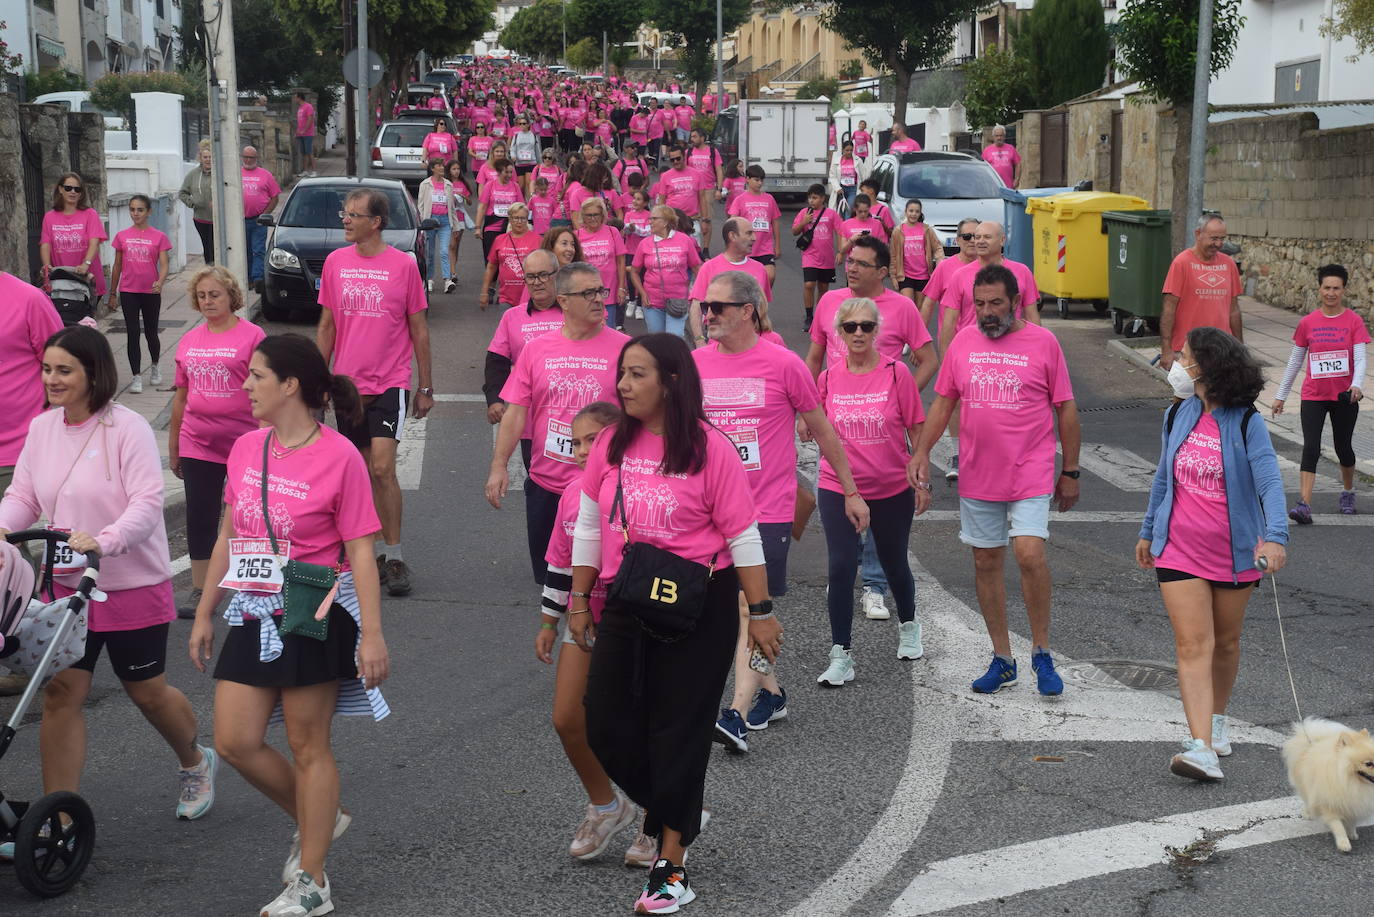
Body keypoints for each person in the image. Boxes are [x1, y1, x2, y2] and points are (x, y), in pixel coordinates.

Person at [570, 333, 780, 914]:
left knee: (678, 732)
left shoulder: (710, 448)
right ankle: (681, 810)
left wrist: (760, 613)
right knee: (605, 724)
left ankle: (670, 868)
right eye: (622, 374)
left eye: (637, 375)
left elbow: (743, 535)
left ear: (672, 381)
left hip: (699, 604)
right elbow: (589, 523)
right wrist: (579, 598)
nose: (623, 385)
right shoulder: (611, 442)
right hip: (627, 596)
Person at [189, 334, 390, 916]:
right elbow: (229, 532)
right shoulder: (247, 447)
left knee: (308, 745)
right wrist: (205, 610)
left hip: (312, 611)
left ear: (290, 385)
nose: (245, 385)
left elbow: (359, 551)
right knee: (233, 740)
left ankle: (313, 880)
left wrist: (372, 633)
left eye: (255, 376)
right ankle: (322, 816)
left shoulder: (340, 456)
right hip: (253, 609)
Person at [0, 326, 217, 862]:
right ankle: (61, 813)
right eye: (47, 369)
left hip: (128, 581)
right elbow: (23, 494)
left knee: (145, 691)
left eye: (64, 370)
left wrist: (107, 539)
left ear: (93, 374)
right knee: (60, 695)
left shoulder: (127, 429)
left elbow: (145, 502)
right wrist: (3, 529)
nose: (52, 379)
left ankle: (195, 761)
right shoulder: (43, 428)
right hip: (64, 586)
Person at [694, 272, 868, 749]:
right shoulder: (694, 365)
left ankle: (735, 710)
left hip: (766, 509)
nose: (707, 315)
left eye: (718, 307)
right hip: (708, 511)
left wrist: (850, 490)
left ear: (747, 311)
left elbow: (823, 430)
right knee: (732, 610)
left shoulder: (783, 364)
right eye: (706, 307)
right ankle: (771, 693)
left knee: (751, 608)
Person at [910, 264, 1080, 696]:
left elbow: (1066, 409)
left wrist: (1071, 471)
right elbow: (943, 403)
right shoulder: (964, 342)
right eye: (980, 304)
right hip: (978, 471)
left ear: (1016, 302)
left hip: (1031, 468)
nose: (986, 312)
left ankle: (1041, 652)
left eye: (995, 304)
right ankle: (1003, 658)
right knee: (985, 562)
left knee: (1028, 553)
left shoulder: (1044, 343)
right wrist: (923, 452)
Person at [1136, 326, 1288, 781]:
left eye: (1182, 356)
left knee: (1225, 643)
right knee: (1192, 644)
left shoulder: (1245, 421)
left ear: (1206, 366)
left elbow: (1268, 481)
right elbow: (1164, 478)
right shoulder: (1176, 414)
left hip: (1235, 551)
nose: (1175, 364)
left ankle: (1217, 724)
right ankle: (1199, 745)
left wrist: (1276, 536)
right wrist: (1148, 531)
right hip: (1178, 549)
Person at [535, 400, 654, 864]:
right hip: (582, 617)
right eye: (577, 441)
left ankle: (656, 816)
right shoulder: (571, 494)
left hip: (636, 619)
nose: (582, 451)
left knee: (637, 724)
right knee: (567, 717)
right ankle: (607, 805)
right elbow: (560, 562)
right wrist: (550, 620)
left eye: (593, 440)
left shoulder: (641, 484)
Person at [316, 188, 434, 597]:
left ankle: (396, 556)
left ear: (376, 222)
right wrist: (317, 381)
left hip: (390, 382)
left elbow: (419, 329)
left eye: (353, 214)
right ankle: (372, 553)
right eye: (344, 213)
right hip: (348, 386)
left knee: (383, 468)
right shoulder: (334, 263)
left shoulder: (403, 266)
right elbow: (327, 326)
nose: (345, 220)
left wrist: (425, 386)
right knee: (362, 473)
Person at [486, 263, 630, 583]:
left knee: (604, 585)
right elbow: (516, 412)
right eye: (588, 293)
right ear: (563, 301)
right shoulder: (537, 350)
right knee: (552, 581)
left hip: (604, 489)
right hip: (546, 486)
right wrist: (499, 466)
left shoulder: (625, 349)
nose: (598, 299)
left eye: (600, 291)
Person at [815, 297, 929, 686]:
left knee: (895, 562)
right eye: (851, 327)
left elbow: (917, 430)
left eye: (866, 326)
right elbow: (822, 433)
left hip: (890, 486)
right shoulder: (828, 378)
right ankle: (841, 654)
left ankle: (910, 625)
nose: (859, 333)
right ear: (840, 333)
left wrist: (922, 477)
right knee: (841, 565)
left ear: (877, 330)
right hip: (838, 486)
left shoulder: (898, 375)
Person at [168, 266, 265, 619]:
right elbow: (181, 397)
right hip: (198, 441)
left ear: (231, 297)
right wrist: (174, 445)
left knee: (246, 514)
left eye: (215, 294)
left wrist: (269, 438)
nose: (207, 301)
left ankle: (252, 582)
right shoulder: (189, 340)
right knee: (200, 515)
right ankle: (200, 587)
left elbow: (265, 390)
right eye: (202, 296)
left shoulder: (253, 336)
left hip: (245, 443)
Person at [1271, 264, 1369, 520]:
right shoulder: (1308, 322)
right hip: (1313, 395)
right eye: (1327, 288)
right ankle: (1304, 503)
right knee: (1311, 447)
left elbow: (1360, 358)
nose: (1331, 293)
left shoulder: (1354, 321)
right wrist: (1281, 395)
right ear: (1319, 289)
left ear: (1344, 290)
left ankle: (1348, 491)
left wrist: (1357, 384)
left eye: (1336, 288)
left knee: (1343, 448)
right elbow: (1294, 361)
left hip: (1344, 396)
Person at [483, 249, 567, 439]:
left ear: (557, 275)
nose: (537, 282)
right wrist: (495, 400)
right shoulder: (512, 317)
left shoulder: (573, 313)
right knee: (534, 469)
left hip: (570, 418)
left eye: (543, 275)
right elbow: (496, 361)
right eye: (531, 277)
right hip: (529, 420)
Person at [1159, 214, 1243, 371]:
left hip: (1221, 350)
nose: (1218, 244)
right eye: (1213, 238)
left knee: (1218, 395)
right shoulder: (1181, 263)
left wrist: (1241, 349)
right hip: (1188, 351)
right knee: (1186, 395)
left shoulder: (1229, 264)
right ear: (1198, 234)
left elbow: (1234, 311)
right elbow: (1168, 309)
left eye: (1222, 238)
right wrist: (1166, 349)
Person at [109, 194, 172, 393]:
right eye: (132, 209)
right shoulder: (122, 236)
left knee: (151, 332)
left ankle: (154, 365)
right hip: (128, 290)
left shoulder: (159, 236)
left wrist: (160, 282)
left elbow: (164, 263)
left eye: (140, 210)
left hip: (150, 291)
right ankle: (136, 376)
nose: (135, 213)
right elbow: (117, 265)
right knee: (133, 333)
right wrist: (113, 292)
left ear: (148, 212)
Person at [687, 217, 773, 346]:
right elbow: (696, 306)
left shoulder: (760, 269)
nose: (754, 238)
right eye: (749, 233)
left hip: (752, 342)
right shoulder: (709, 267)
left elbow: (763, 308)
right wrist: (699, 339)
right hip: (718, 342)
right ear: (732, 236)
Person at [630, 204, 702, 337]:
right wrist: (642, 293)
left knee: (674, 337)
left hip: (678, 300)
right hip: (652, 302)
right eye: (649, 219)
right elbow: (634, 271)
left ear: (665, 222)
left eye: (653, 219)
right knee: (657, 341)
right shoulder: (644, 243)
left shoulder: (685, 240)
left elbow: (697, 267)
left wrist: (696, 293)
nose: (649, 222)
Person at [41, 171, 107, 304]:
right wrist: (47, 266)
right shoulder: (50, 217)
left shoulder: (90, 214)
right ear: (60, 189)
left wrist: (85, 264)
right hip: (62, 280)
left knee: (85, 321)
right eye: (68, 188)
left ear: (81, 193)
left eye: (77, 189)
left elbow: (94, 243)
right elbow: (45, 244)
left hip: (86, 278)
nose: (73, 192)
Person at [794, 183, 844, 332]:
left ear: (823, 198)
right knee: (809, 284)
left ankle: (820, 316)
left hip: (827, 258)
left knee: (823, 288)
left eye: (815, 198)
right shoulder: (804, 212)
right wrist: (804, 222)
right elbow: (794, 231)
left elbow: (840, 231)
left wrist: (841, 251)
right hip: (809, 256)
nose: (811, 201)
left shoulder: (831, 214)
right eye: (810, 198)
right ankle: (809, 316)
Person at [576, 197, 628, 330]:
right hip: (586, 291)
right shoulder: (576, 235)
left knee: (608, 328)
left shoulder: (612, 232)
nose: (593, 218)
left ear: (602, 215)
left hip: (609, 289)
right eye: (589, 215)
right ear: (583, 216)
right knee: (587, 329)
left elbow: (621, 261)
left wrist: (622, 287)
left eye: (596, 214)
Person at [726, 164, 782, 284]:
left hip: (765, 247)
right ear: (747, 179)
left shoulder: (769, 199)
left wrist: (777, 246)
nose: (759, 183)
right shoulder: (740, 199)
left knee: (770, 276)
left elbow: (775, 222)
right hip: (746, 247)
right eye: (756, 180)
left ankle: (764, 300)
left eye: (761, 180)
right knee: (748, 281)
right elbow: (732, 222)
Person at [480, 201, 540, 310]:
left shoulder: (538, 240)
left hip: (531, 297)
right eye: (515, 218)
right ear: (510, 219)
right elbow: (491, 267)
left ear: (527, 220)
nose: (519, 222)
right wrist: (484, 292)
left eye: (523, 218)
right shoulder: (500, 240)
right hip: (506, 298)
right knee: (508, 326)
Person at [652, 145, 712, 249]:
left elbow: (702, 198)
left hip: (692, 220)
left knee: (695, 251)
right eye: (672, 160)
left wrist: (705, 220)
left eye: (678, 158)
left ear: (684, 157)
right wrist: (659, 222)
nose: (675, 161)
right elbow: (661, 201)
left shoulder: (697, 174)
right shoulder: (665, 176)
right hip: (673, 221)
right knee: (675, 251)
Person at [240, 146, 281, 293]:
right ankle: (248, 279)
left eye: (252, 157)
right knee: (243, 250)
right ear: (242, 157)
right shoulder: (235, 173)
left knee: (258, 250)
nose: (249, 160)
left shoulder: (266, 175)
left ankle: (257, 279)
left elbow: (275, 197)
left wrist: (264, 214)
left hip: (258, 220)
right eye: (246, 157)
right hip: (240, 221)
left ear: (257, 158)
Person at [891, 199, 943, 304]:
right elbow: (893, 255)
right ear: (906, 212)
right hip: (905, 275)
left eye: (917, 211)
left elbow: (938, 248)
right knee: (908, 305)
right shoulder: (898, 231)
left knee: (920, 309)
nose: (913, 214)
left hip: (923, 275)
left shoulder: (927, 229)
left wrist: (939, 262)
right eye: (911, 211)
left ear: (920, 213)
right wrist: (893, 276)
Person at [418, 159, 457, 295]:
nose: (442, 167)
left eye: (442, 165)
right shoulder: (425, 184)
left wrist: (455, 226)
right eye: (439, 166)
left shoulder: (448, 185)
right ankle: (429, 279)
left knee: (444, 251)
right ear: (432, 169)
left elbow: (451, 207)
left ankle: (447, 280)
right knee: (429, 253)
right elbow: (421, 206)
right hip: (430, 222)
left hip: (445, 222)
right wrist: (422, 222)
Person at [476, 158, 525, 262]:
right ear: (499, 172)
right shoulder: (490, 185)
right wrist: (478, 227)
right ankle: (492, 278)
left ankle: (504, 278)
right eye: (506, 172)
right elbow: (482, 206)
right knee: (491, 259)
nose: (509, 175)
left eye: (511, 172)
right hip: (492, 226)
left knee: (508, 258)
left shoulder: (515, 186)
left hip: (510, 227)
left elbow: (521, 207)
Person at [179, 141, 216, 263]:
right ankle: (210, 269)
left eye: (210, 157)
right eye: (205, 157)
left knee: (215, 247)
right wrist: (192, 202)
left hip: (217, 220)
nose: (208, 160)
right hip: (200, 219)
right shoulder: (193, 174)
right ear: (200, 158)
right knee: (207, 246)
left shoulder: (219, 174)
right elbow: (182, 193)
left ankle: (217, 271)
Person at [444, 159, 477, 276]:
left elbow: (470, 202)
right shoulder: (446, 183)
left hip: (460, 216)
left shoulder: (463, 184)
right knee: (452, 245)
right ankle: (451, 272)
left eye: (458, 169)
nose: (456, 171)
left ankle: (453, 269)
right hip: (449, 216)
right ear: (449, 170)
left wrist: (463, 197)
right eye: (454, 169)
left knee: (456, 246)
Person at [828, 140, 867, 211]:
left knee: (849, 209)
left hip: (853, 189)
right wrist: (837, 188)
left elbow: (863, 175)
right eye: (847, 150)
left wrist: (863, 189)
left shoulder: (858, 160)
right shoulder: (836, 161)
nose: (849, 152)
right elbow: (832, 176)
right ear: (843, 150)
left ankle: (847, 222)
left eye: (851, 150)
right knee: (840, 210)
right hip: (841, 189)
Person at [510, 114, 542, 192]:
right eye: (520, 124)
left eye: (524, 123)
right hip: (519, 163)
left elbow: (537, 150)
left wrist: (540, 163)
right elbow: (512, 148)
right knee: (521, 186)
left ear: (528, 124)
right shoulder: (516, 136)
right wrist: (513, 156)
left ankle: (529, 202)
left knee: (529, 184)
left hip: (531, 162)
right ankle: (522, 202)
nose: (522, 125)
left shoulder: (533, 136)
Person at [296, 91, 317, 176]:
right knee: (304, 153)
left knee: (309, 152)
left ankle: (314, 171)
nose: (295, 99)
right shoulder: (300, 108)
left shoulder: (308, 106)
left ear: (299, 98)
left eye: (295, 97)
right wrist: (298, 131)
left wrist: (304, 130)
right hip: (300, 134)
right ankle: (305, 171)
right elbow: (300, 121)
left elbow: (310, 119)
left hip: (308, 134)